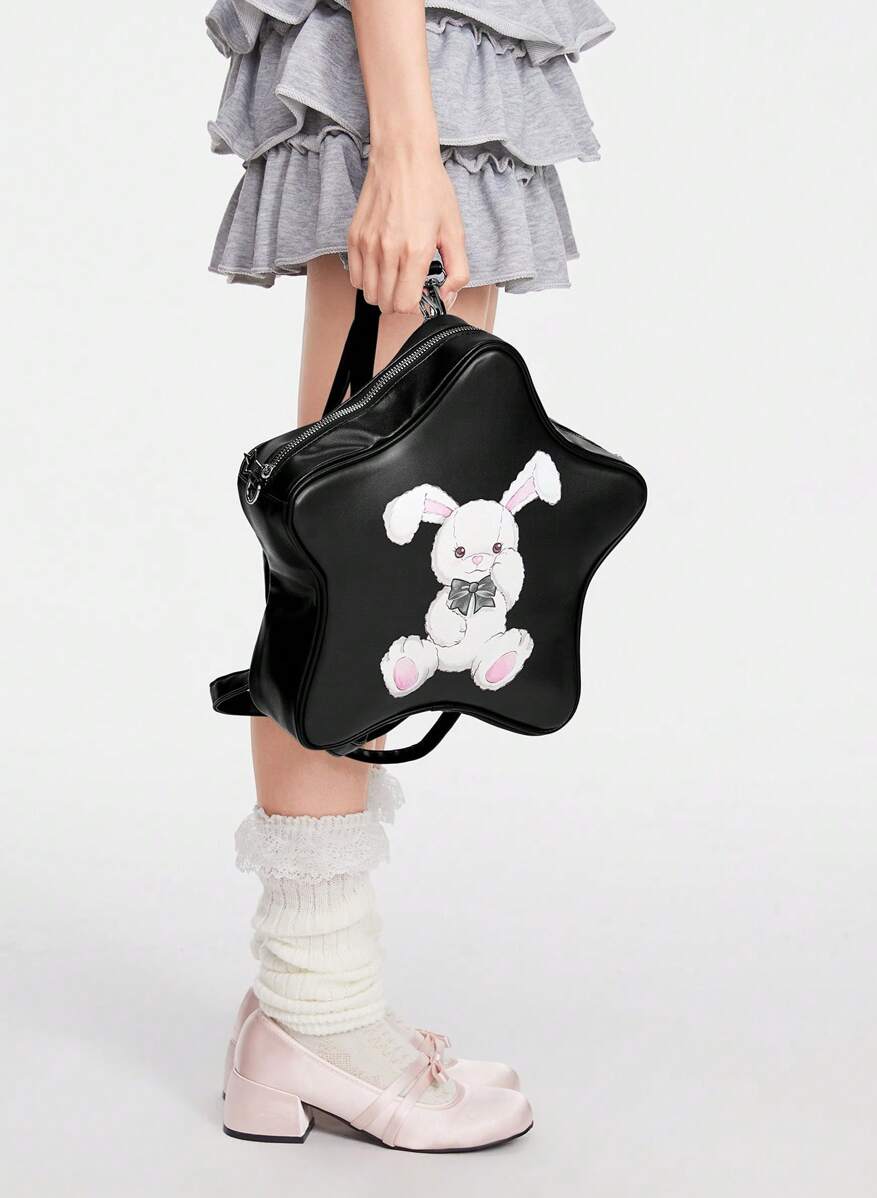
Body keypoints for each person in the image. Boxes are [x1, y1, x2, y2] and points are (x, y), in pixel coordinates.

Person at [206, 0, 613, 1152]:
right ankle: (315, 1010)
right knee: (356, 576)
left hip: (444, 77)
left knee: (364, 569)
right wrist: (405, 142)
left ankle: (313, 999)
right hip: (411, 72)